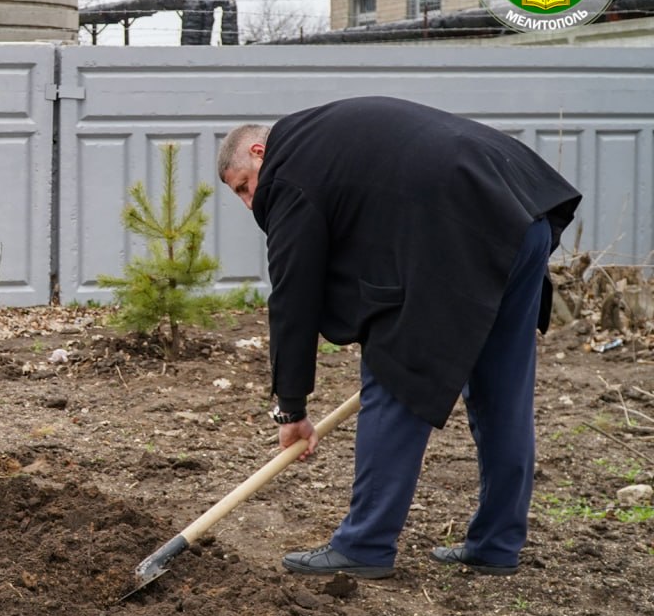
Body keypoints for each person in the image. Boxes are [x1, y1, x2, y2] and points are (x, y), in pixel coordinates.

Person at [217, 96, 580, 578]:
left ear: (259, 152)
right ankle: (496, 544)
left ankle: (364, 545)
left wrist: (292, 408)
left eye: (245, 187)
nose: (250, 203)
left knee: (394, 371)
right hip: (520, 214)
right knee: (502, 392)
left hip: (464, 225)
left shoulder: (288, 173)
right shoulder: (322, 140)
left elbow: (292, 296)